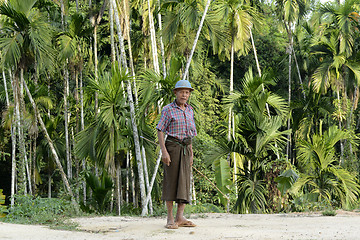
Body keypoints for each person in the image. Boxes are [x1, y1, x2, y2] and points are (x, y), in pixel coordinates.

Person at [156, 79, 197, 229]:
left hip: (186, 149)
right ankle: (170, 217)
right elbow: (160, 129)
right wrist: (164, 151)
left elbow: (190, 134)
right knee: (171, 182)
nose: (184, 95)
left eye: (187, 92)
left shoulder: (190, 110)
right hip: (172, 147)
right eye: (181, 92)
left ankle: (180, 217)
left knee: (184, 183)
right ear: (175, 93)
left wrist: (191, 153)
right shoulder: (168, 109)